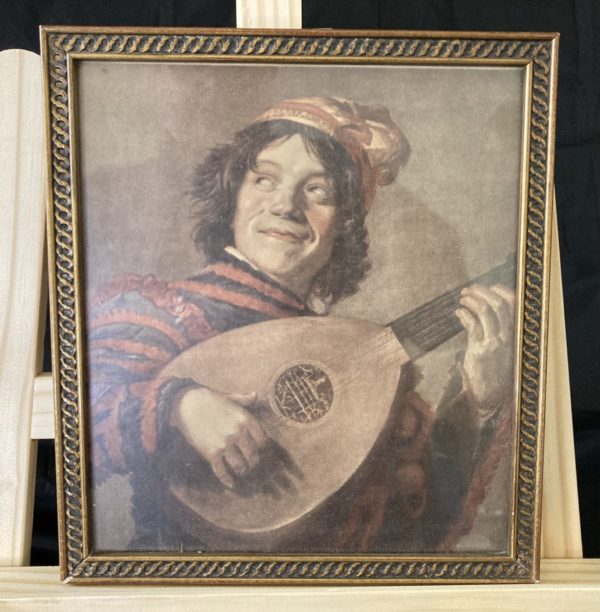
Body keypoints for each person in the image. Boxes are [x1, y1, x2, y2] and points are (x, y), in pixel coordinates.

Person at [88, 97, 515, 553]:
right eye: (264, 180)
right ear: (232, 196)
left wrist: (480, 400)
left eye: (317, 192)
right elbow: (77, 427)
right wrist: (179, 405)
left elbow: (415, 536)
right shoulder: (161, 312)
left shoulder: (355, 367)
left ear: (344, 224)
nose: (285, 205)